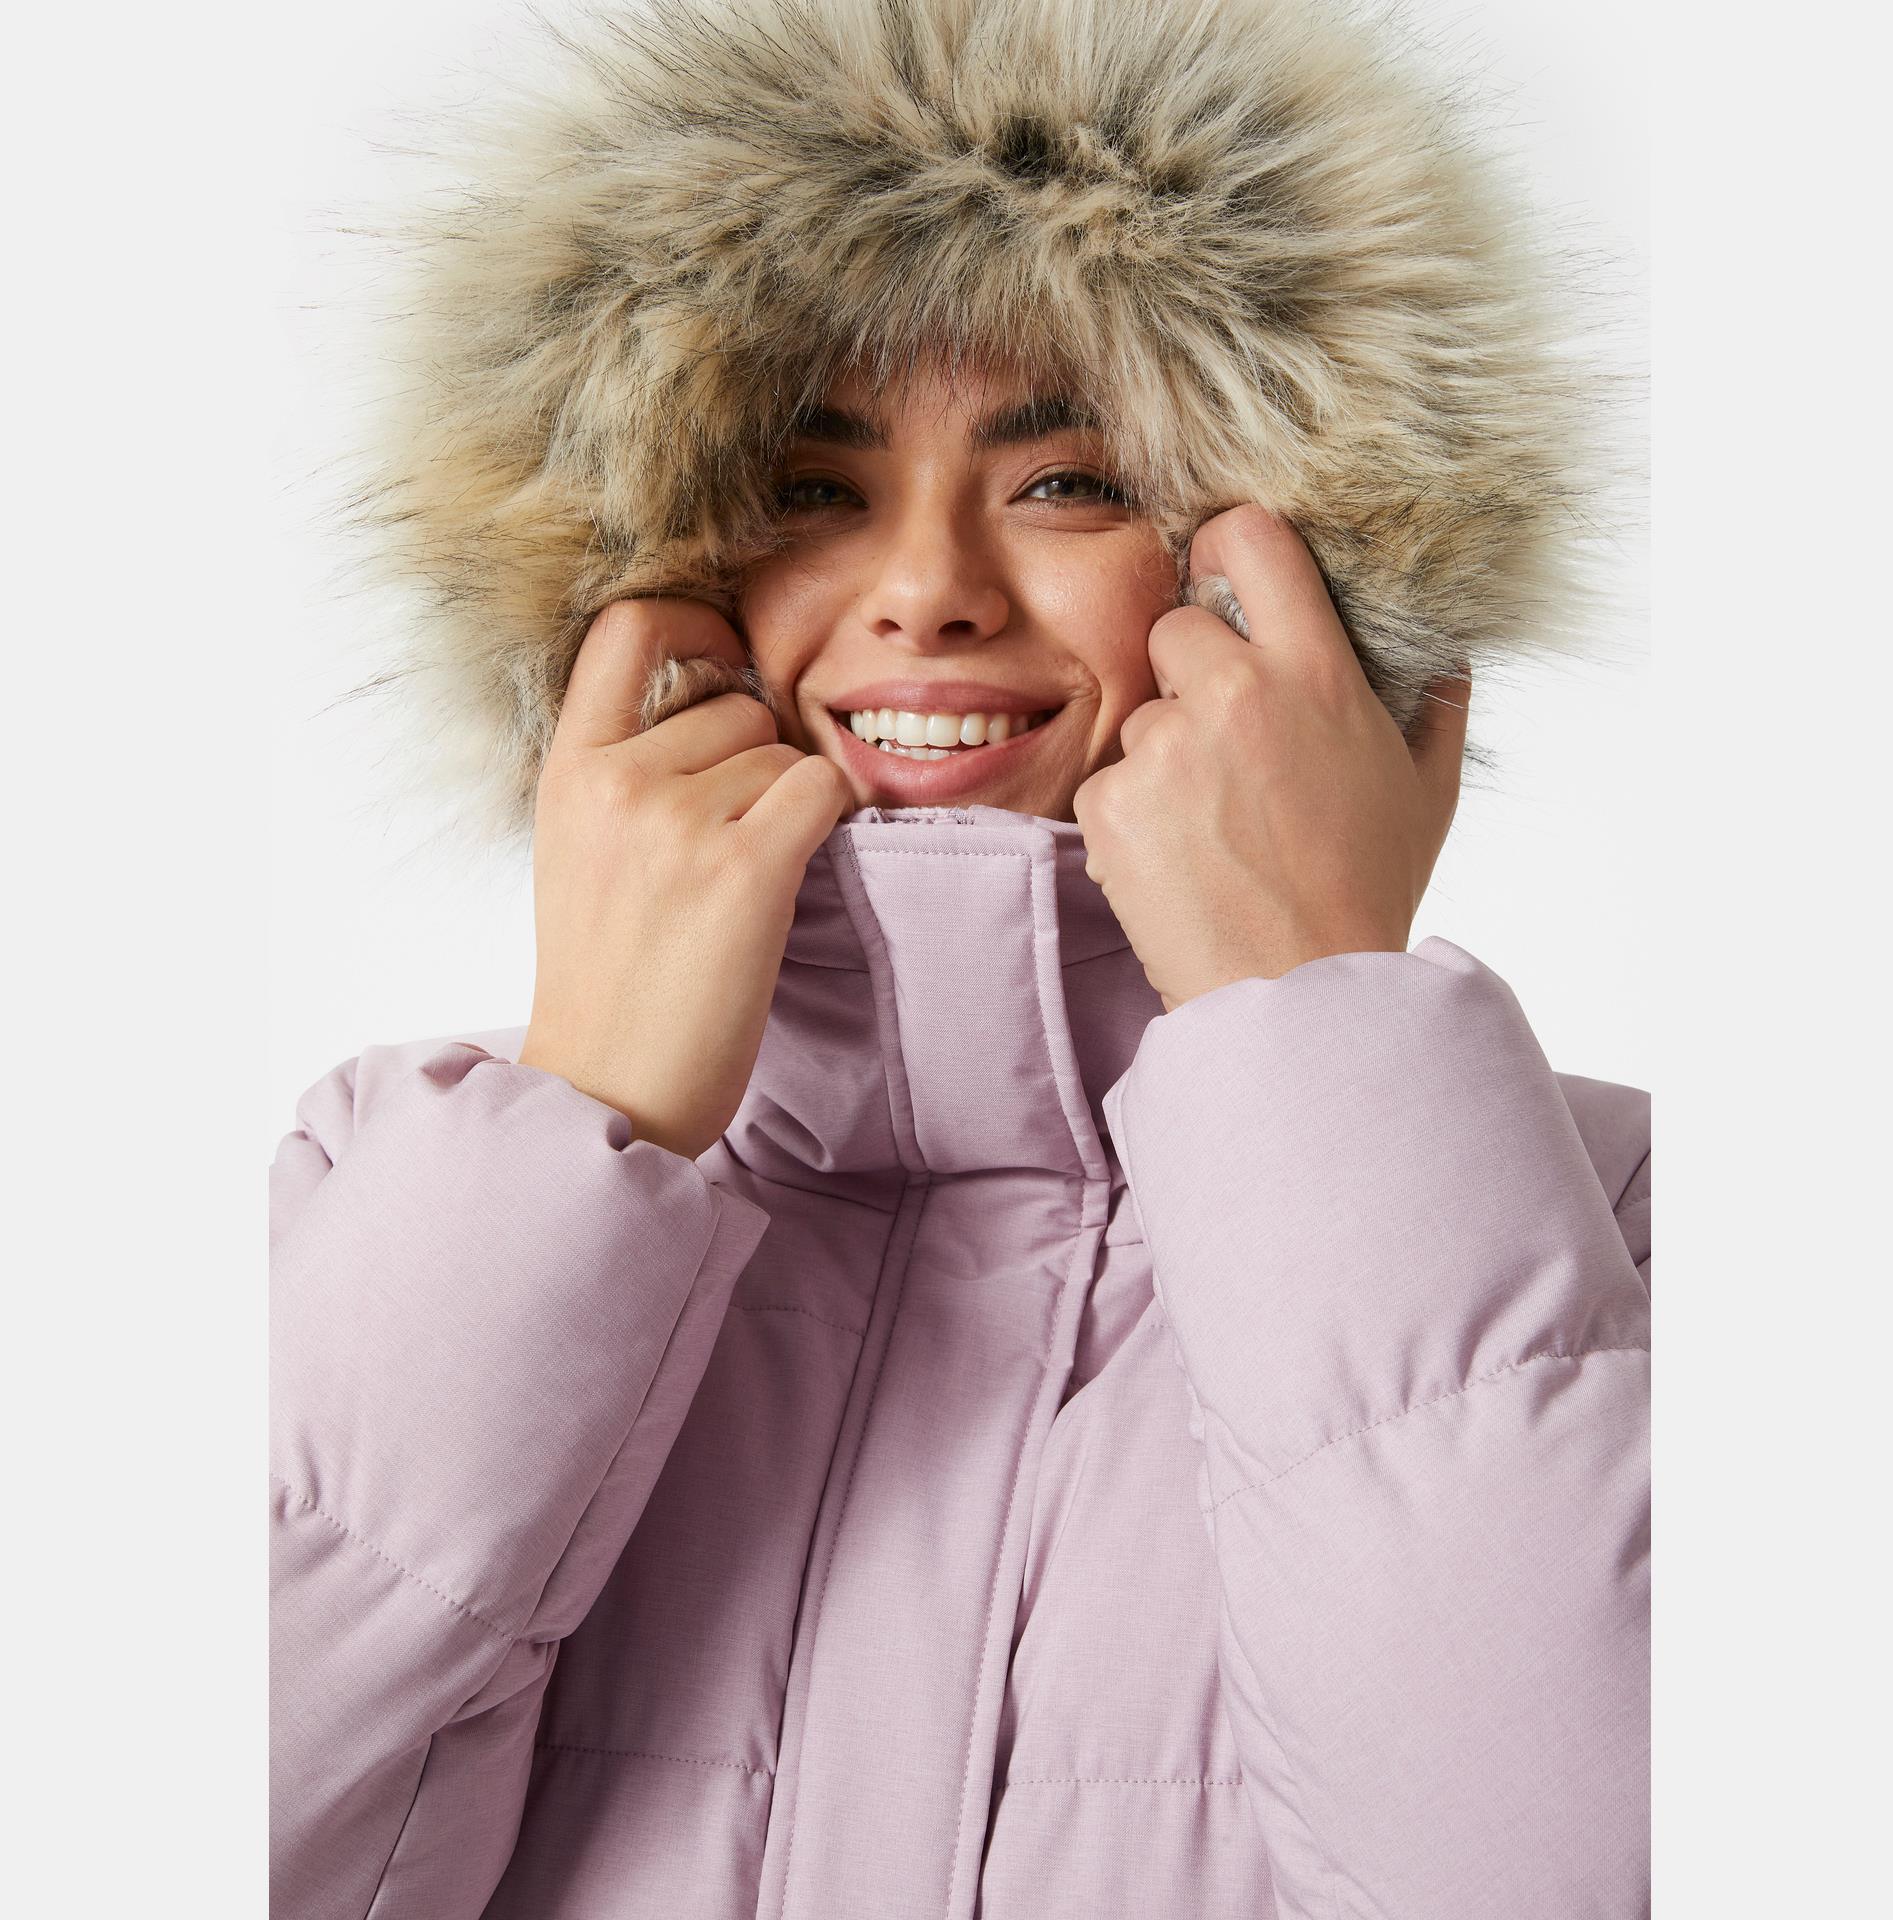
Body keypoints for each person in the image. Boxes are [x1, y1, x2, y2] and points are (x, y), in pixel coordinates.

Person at [269, 2, 1650, 1916]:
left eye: (1070, 480)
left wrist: (1317, 1034)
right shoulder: (389, 1195)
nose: (926, 590)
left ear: (1313, 582)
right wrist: (589, 1113)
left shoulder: (1607, 1228)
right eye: (809, 489)